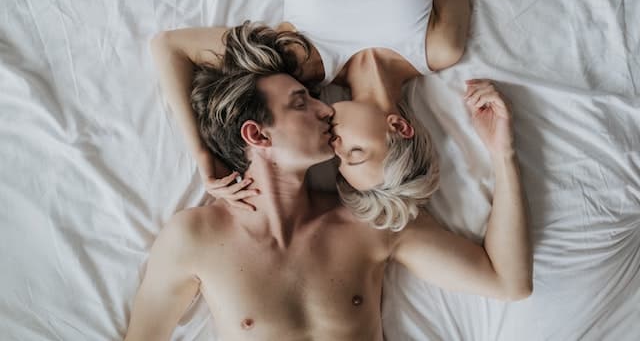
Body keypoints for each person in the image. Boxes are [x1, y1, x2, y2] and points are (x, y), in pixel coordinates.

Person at [125, 29, 532, 339]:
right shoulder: (193, 237)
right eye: (301, 103)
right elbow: (169, 46)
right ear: (258, 136)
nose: (326, 108)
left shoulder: (367, 223)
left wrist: (503, 154)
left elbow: (507, 282)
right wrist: (201, 153)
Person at [151, 0, 470, 231]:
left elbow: (171, 47)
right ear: (399, 127)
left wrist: (202, 154)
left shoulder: (302, 60)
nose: (336, 147)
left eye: (340, 161)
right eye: (355, 152)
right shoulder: (438, 46)